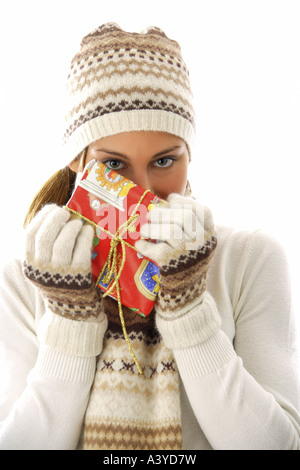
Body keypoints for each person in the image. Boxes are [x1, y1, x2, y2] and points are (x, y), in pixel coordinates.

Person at [0, 22, 299, 451]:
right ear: (78, 164)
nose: (142, 190)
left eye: (164, 160)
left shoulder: (250, 259)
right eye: (115, 166)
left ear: (189, 155)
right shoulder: (26, 280)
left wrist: (190, 310)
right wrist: (68, 324)